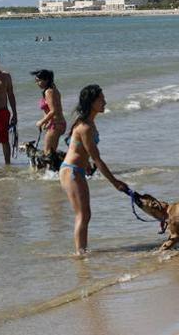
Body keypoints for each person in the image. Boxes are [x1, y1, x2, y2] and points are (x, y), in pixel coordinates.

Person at [59, 85, 128, 255]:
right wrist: (115, 182)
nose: (105, 102)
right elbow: (97, 158)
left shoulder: (89, 122)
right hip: (71, 171)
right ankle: (80, 254)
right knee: (82, 215)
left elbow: (75, 146)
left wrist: (86, 163)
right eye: (101, 99)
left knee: (86, 214)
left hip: (78, 170)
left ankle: (82, 250)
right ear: (92, 102)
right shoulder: (85, 127)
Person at [32, 69, 67, 154]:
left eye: (38, 81)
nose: (37, 83)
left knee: (47, 153)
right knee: (51, 153)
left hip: (56, 125)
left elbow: (53, 111)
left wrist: (41, 122)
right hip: (58, 123)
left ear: (46, 80)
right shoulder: (53, 88)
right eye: (36, 81)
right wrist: (47, 122)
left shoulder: (49, 92)